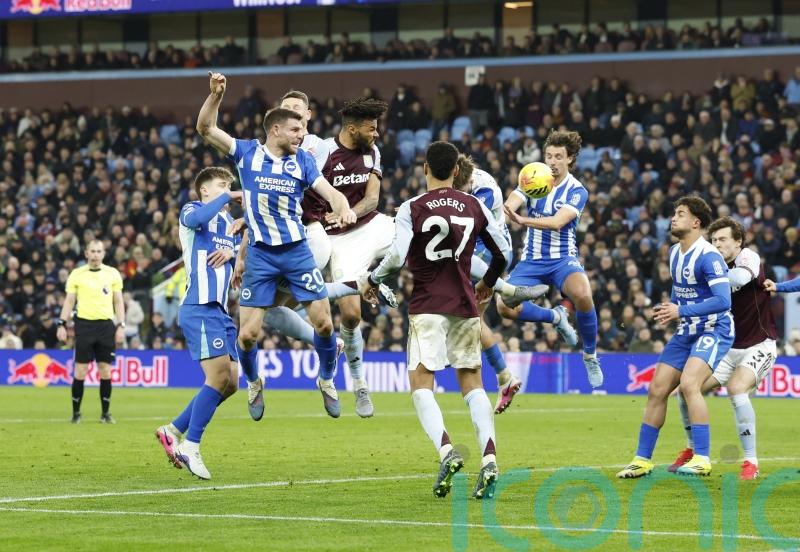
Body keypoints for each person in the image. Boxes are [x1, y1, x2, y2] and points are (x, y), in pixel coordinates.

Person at [196, 72, 356, 419]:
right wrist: (216, 96)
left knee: (325, 325)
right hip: (261, 256)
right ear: (276, 130)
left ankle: (326, 379)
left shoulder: (303, 161)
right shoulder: (247, 153)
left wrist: (342, 206)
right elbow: (206, 129)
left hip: (297, 251)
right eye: (296, 130)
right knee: (248, 336)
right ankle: (255, 382)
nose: (302, 135)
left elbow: (330, 192)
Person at [359, 141, 511, 499]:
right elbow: (503, 252)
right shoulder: (474, 205)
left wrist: (373, 279)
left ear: (425, 168)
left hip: (428, 304)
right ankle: (489, 459)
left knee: (421, 383)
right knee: (472, 383)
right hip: (465, 303)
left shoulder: (412, 207)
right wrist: (488, 283)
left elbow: (397, 257)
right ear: (457, 171)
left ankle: (446, 452)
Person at [617, 196, 733, 479]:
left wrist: (680, 310)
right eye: (674, 213)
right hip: (686, 330)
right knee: (657, 389)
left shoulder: (709, 256)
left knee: (690, 385)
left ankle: (701, 458)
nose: (673, 218)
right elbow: (680, 290)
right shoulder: (673, 253)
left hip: (713, 329)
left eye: (680, 214)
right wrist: (671, 309)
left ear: (695, 222)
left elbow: (723, 300)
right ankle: (642, 460)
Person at [300, 96, 393, 418]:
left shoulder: (373, 152)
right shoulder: (324, 151)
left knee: (415, 232)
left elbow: (372, 199)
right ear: (352, 129)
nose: (376, 134)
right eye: (371, 128)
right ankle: (358, 383)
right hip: (333, 238)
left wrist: (348, 212)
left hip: (366, 225)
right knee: (351, 316)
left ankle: (494, 282)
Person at [668, 217, 777, 480]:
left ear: (738, 242)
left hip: (759, 344)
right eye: (714, 239)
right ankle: (692, 450)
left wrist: (708, 277)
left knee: (737, 388)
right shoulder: (709, 265)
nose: (717, 244)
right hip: (727, 347)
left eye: (723, 239)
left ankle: (750, 462)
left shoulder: (747, 257)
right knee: (687, 388)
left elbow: (740, 277)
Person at [155, 166, 244, 480]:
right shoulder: (192, 210)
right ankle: (190, 445)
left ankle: (173, 430)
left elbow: (241, 247)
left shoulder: (227, 223)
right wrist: (228, 196)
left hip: (220, 310)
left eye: (229, 185)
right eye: (221, 185)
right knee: (217, 377)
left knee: (231, 383)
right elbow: (195, 221)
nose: (227, 189)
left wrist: (232, 252)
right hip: (199, 306)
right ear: (205, 190)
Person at [501, 130, 599, 387]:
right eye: (549, 156)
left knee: (583, 295)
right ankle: (555, 317)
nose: (552, 162)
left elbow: (557, 222)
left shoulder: (577, 190)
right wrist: (506, 210)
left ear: (570, 159)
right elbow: (513, 201)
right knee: (503, 307)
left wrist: (523, 220)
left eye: (558, 156)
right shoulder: (534, 177)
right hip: (531, 260)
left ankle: (590, 355)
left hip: (562, 259)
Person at [453, 154, 548, 413]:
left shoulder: (483, 191)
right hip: (488, 252)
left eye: (460, 188)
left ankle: (501, 376)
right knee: (472, 321)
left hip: (488, 254)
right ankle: (504, 377)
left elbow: (463, 225)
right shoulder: (468, 180)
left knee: (469, 320)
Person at [57, 239, 125, 424]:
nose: (95, 255)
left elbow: (118, 302)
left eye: (98, 251)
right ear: (86, 253)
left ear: (103, 254)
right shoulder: (77, 274)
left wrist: (121, 325)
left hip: (105, 326)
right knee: (80, 370)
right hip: (84, 326)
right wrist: (62, 323)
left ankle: (105, 414)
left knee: (105, 370)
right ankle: (76, 414)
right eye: (92, 251)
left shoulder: (112, 273)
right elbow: (69, 301)